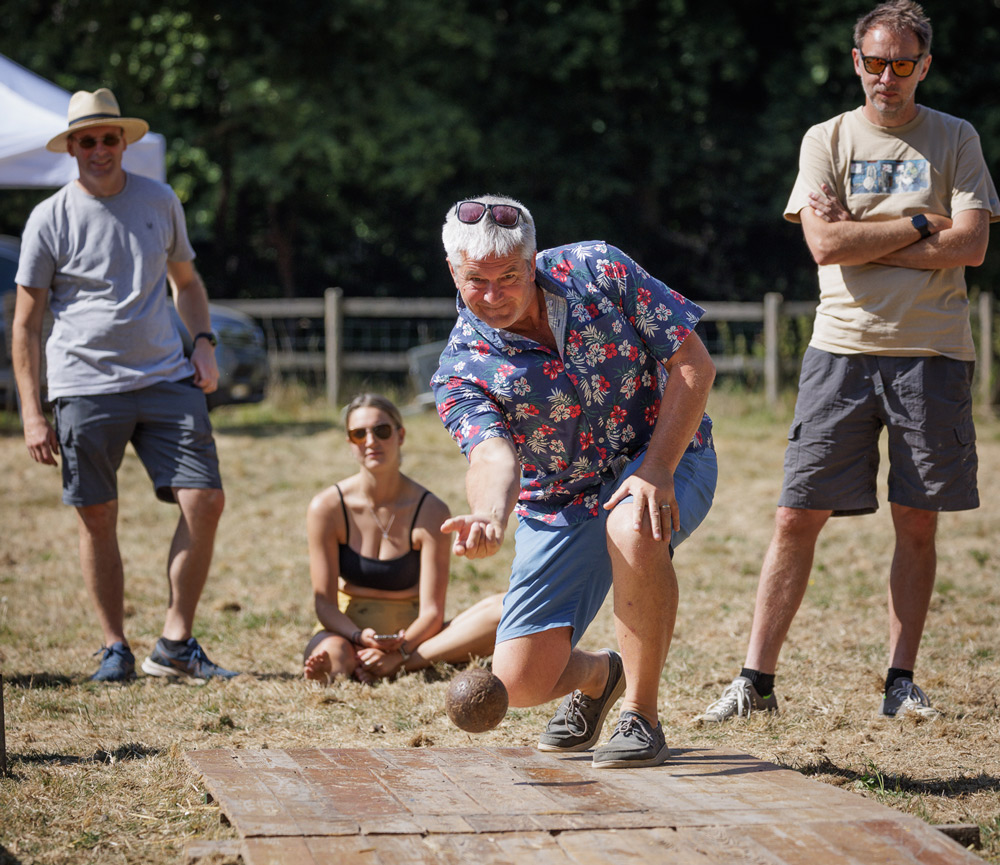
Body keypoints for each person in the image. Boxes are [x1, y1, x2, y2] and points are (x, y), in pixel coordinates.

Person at [698, 0, 999, 724]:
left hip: (933, 352)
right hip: (841, 349)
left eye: (902, 63)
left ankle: (902, 680)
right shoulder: (825, 138)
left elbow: (972, 246)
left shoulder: (956, 138)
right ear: (856, 61)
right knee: (795, 514)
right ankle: (754, 682)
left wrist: (868, 232)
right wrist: (922, 222)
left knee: (917, 520)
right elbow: (824, 247)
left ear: (923, 65)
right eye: (874, 61)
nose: (886, 76)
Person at [432, 196, 718, 768]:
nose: (493, 295)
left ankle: (641, 716)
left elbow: (693, 363)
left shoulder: (600, 269)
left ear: (532, 259)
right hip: (561, 501)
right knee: (523, 684)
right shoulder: (460, 369)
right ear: (452, 272)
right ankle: (601, 676)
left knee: (632, 522)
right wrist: (489, 516)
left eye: (508, 276)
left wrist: (657, 468)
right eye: (476, 281)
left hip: (666, 456)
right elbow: (492, 457)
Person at [12, 88, 237, 683]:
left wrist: (204, 341)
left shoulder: (159, 200)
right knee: (98, 516)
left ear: (123, 142)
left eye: (109, 138)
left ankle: (176, 642)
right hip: (83, 386)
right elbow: (26, 324)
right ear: (72, 148)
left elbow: (186, 284)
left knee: (205, 499)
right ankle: (115, 647)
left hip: (167, 375)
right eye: (87, 140)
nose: (99, 149)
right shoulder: (49, 218)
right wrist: (32, 415)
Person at [303, 393, 503, 685]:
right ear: (350, 443)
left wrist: (403, 649)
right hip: (347, 632)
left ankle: (398, 664)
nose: (371, 441)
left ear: (400, 435)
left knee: (504, 610)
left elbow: (433, 612)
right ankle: (350, 662)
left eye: (381, 430)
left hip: (416, 637)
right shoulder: (326, 507)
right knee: (334, 655)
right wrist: (358, 636)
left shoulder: (431, 510)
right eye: (359, 434)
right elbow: (326, 606)